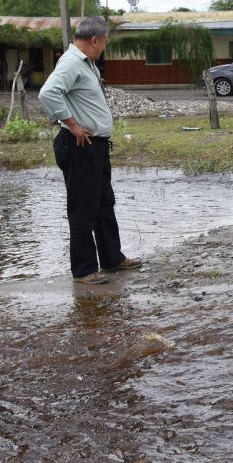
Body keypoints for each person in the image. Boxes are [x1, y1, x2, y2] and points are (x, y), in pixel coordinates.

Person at [39, 16, 142, 285]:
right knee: (83, 208)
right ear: (94, 40)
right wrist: (72, 124)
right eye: (105, 42)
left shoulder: (87, 64)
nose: (104, 47)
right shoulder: (72, 62)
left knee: (104, 203)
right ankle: (84, 270)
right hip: (79, 145)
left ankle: (112, 259)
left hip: (95, 146)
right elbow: (48, 93)